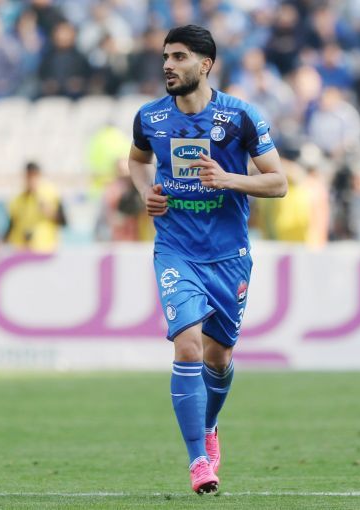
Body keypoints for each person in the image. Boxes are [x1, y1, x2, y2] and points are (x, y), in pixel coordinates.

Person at [128, 25, 286, 495]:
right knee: (188, 347)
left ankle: (210, 426)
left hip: (228, 255)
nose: (168, 65)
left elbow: (278, 182)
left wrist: (228, 179)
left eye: (179, 57)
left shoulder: (240, 117)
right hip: (175, 249)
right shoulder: (150, 118)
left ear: (205, 64)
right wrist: (145, 192)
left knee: (219, 357)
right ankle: (198, 460)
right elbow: (137, 161)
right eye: (165, 56)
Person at [0, 162, 63, 253]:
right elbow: (11, 226)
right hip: (21, 249)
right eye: (29, 176)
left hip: (44, 250)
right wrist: (0, 240)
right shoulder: (17, 200)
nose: (31, 180)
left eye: (34, 176)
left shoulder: (51, 194)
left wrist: (51, 213)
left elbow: (63, 220)